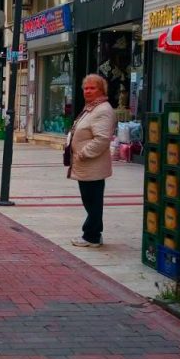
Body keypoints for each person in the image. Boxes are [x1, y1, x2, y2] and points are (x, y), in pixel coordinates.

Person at [67, 73, 116, 248]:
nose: (87, 91)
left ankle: (92, 236)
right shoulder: (92, 108)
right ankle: (93, 234)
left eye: (92, 88)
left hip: (92, 165)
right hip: (86, 166)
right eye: (85, 88)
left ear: (101, 90)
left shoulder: (102, 110)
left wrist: (83, 153)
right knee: (90, 200)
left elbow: (102, 139)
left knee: (93, 201)